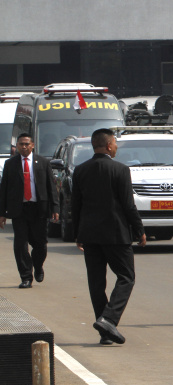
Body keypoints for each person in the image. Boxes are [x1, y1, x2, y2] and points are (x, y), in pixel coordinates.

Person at [73, 128, 146, 345]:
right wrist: (139, 230)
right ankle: (109, 319)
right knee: (126, 277)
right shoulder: (120, 170)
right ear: (107, 145)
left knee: (96, 283)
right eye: (115, 143)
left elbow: (76, 205)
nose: (116, 147)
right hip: (116, 234)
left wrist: (78, 233)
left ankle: (104, 331)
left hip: (90, 235)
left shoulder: (80, 170)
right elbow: (128, 204)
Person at [0, 133, 59, 289]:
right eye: (21, 144)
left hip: (39, 209)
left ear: (32, 145)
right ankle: (26, 276)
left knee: (40, 244)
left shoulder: (43, 162)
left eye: (27, 144)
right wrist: (2, 213)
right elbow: (4, 188)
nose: (24, 147)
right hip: (18, 209)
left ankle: (38, 266)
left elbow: (51, 187)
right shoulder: (10, 164)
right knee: (20, 244)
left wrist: (55, 207)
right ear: (17, 146)